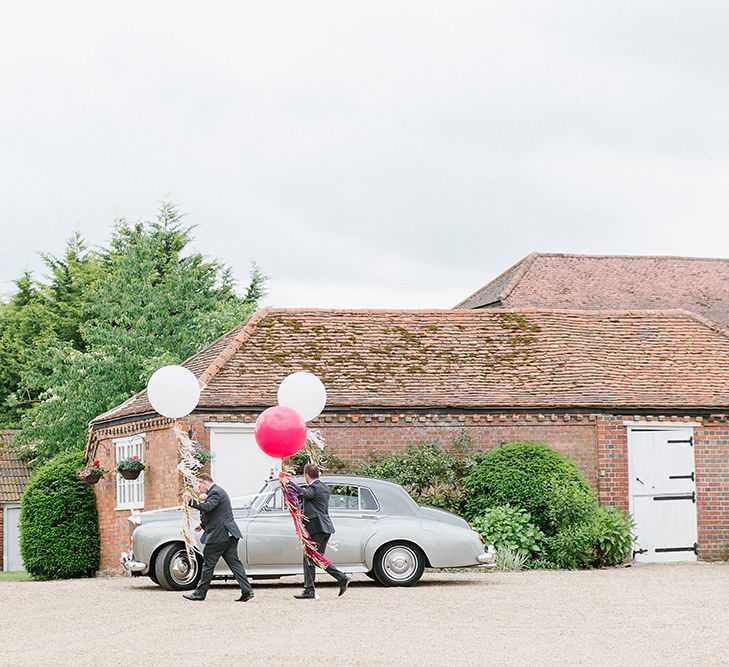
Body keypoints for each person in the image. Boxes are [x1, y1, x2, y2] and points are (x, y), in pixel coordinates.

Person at [280, 464, 350, 599]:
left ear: (307, 475)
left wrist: (289, 482)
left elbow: (304, 493)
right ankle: (312, 589)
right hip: (324, 528)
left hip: (317, 528)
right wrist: (286, 488)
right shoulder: (322, 487)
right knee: (315, 559)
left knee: (310, 557)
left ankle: (337, 579)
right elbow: (302, 496)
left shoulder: (315, 488)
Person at [183, 473, 254, 602]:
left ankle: (200, 593)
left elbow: (208, 507)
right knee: (235, 564)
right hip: (229, 534)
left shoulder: (215, 492)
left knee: (208, 565)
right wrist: (202, 524)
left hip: (219, 536)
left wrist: (191, 502)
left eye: (199, 485)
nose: (198, 488)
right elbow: (217, 513)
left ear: (205, 483)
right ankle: (247, 590)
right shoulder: (217, 492)